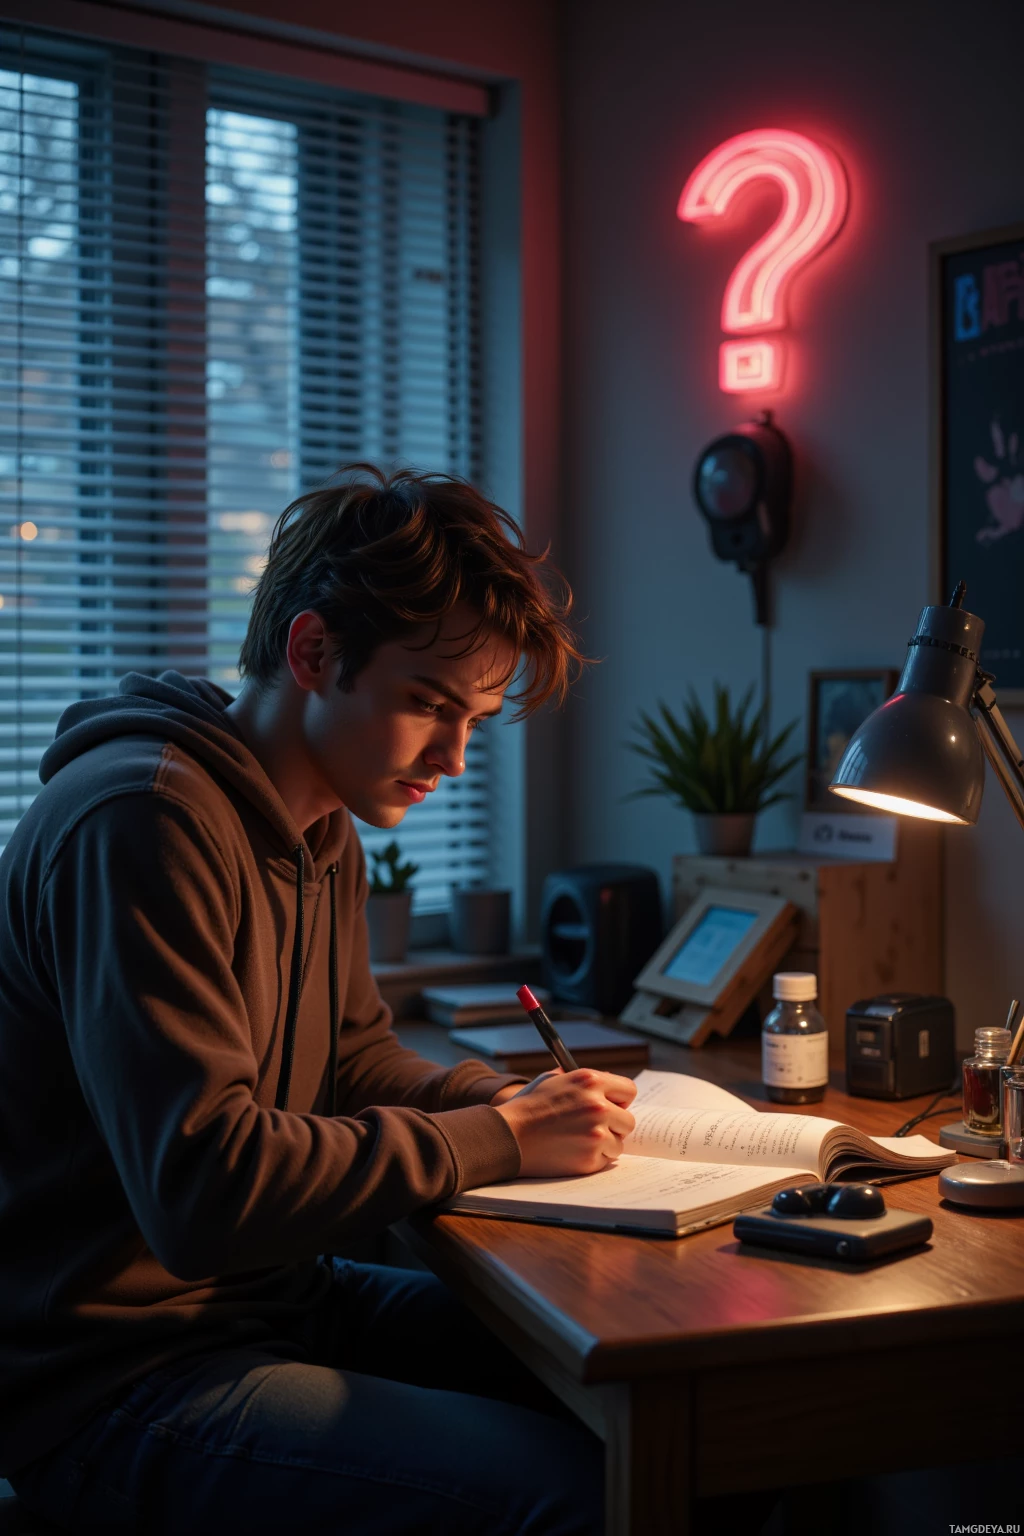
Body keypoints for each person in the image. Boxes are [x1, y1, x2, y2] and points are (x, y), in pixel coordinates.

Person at [0, 465, 637, 1535]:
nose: (453, 757)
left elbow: (353, 1061)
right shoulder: (142, 820)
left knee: (654, 1401)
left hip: (269, 1305)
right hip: (113, 1373)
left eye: (474, 720)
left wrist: (513, 1103)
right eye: (429, 707)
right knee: (580, 1496)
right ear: (312, 653)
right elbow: (203, 1192)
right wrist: (495, 1137)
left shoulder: (316, 821)